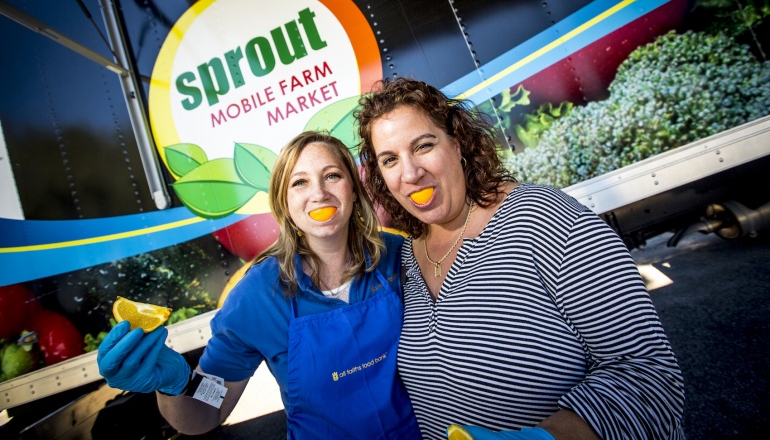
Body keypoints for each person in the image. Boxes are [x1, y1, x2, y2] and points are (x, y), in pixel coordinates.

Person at [355, 77, 686, 440]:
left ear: (458, 142)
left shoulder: (545, 219)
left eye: (423, 145)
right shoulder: (403, 259)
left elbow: (648, 371)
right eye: (390, 160)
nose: (410, 173)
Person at [97, 130, 421, 439]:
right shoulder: (257, 296)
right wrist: (176, 387)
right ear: (284, 204)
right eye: (300, 182)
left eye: (332, 176)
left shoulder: (396, 255)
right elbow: (207, 411)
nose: (319, 193)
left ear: (353, 188)